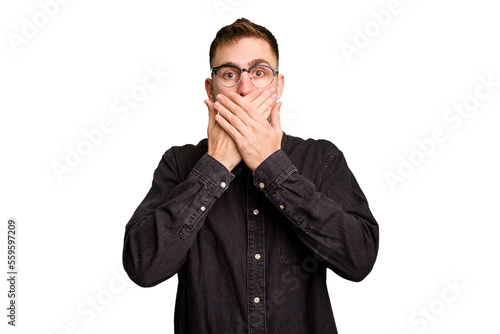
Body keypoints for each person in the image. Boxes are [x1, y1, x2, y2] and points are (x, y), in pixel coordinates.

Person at [122, 18, 379, 334]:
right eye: (230, 74)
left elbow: (359, 260)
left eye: (259, 72)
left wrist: (272, 166)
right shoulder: (179, 163)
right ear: (211, 88)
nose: (245, 88)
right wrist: (214, 166)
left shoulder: (321, 159)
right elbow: (143, 267)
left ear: (278, 85)